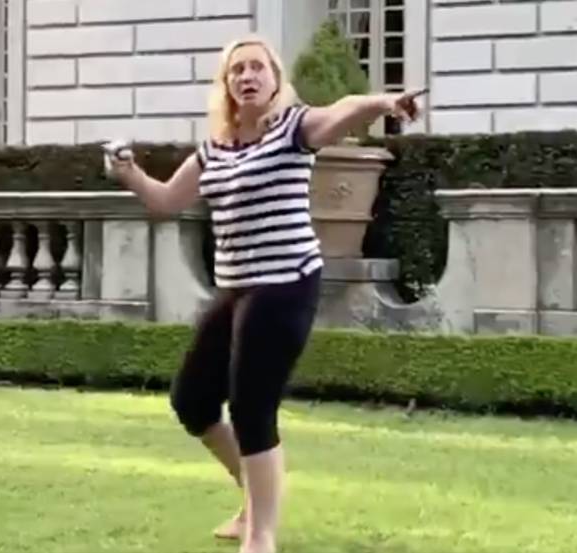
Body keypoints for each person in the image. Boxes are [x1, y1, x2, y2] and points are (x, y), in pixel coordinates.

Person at [107, 34, 426, 553]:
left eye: (258, 68)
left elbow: (341, 111)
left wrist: (384, 102)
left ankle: (260, 537)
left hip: (285, 283)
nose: (248, 76)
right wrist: (129, 174)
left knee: (252, 409)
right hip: (235, 286)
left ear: (275, 79)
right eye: (237, 70)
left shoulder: (292, 128)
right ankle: (253, 497)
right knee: (193, 401)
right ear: (226, 85)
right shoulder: (213, 148)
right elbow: (166, 200)